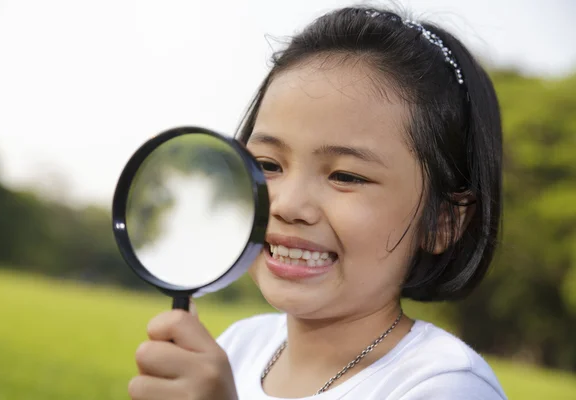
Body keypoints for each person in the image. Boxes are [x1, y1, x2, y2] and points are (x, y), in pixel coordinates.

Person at [127, 5, 508, 400]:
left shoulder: (445, 385)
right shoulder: (238, 345)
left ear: (443, 222)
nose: (289, 205)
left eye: (346, 176)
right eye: (268, 165)